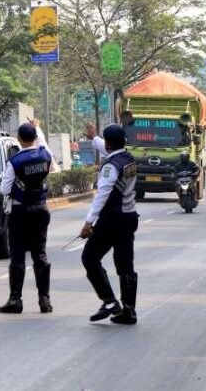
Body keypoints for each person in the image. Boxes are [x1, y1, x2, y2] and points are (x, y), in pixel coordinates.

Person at [79, 124, 139, 325]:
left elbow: (102, 195)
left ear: (108, 143)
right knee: (125, 265)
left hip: (112, 220)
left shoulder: (110, 167)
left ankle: (110, 301)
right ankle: (129, 311)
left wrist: (88, 222)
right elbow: (108, 150)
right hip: (129, 217)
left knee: (89, 257)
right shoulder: (128, 159)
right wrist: (94, 137)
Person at [0, 118, 54, 314]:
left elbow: (4, 189)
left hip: (20, 211)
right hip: (41, 209)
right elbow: (44, 144)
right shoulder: (45, 155)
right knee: (40, 254)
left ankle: (15, 300)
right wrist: (38, 127)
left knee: (18, 254)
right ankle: (44, 300)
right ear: (35, 137)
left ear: (19, 139)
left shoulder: (15, 161)